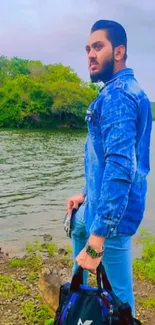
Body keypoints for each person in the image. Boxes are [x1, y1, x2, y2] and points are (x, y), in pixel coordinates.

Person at [66, 20, 152, 316]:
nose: (90, 54)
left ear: (119, 51)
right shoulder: (121, 90)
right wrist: (86, 194)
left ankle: (90, 311)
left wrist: (98, 238)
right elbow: (104, 160)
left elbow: (120, 167)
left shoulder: (117, 97)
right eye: (88, 48)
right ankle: (81, 308)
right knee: (78, 226)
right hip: (99, 206)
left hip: (110, 219)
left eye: (98, 46)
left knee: (120, 300)